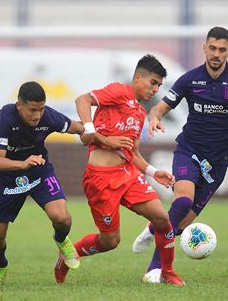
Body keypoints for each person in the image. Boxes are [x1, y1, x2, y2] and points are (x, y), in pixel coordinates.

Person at [132, 27, 228, 282]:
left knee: (180, 226)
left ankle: (153, 228)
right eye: (212, 48)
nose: (216, 54)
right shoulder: (190, 79)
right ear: (204, 48)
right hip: (189, 150)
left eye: (222, 50)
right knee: (182, 202)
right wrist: (153, 119)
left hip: (218, 162)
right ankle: (154, 270)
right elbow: (158, 108)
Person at [54, 54, 185, 286]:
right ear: (138, 78)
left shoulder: (139, 112)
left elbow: (131, 153)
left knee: (163, 219)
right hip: (100, 179)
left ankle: (168, 272)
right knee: (110, 241)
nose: (155, 89)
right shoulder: (118, 91)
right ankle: (69, 254)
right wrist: (93, 132)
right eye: (153, 82)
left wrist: (154, 172)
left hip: (128, 175)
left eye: (159, 85)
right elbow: (82, 100)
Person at [0, 81, 83, 285]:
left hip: (38, 170)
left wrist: (92, 133)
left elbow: (76, 127)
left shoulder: (48, 116)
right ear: (19, 105)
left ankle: (61, 240)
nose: (37, 115)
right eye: (32, 110)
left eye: (41, 109)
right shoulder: (4, 118)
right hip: (6, 178)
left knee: (62, 217)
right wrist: (22, 164)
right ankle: (1, 264)